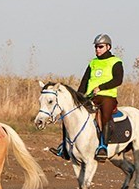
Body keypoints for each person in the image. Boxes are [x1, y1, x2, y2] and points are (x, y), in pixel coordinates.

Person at [50, 33, 124, 162]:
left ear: (108, 47)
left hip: (107, 96)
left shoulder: (115, 62)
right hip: (91, 96)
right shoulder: (93, 63)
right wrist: (77, 97)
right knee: (68, 115)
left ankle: (103, 147)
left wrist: (101, 87)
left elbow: (118, 80)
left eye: (100, 47)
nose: (97, 49)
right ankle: (64, 148)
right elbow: (84, 81)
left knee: (104, 116)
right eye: (96, 47)